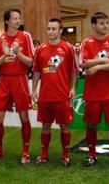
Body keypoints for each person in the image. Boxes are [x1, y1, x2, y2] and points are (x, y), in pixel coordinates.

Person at [0, 8, 34, 164]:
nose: (17, 21)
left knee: (24, 116)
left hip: (20, 79)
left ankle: (25, 152)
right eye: (14, 18)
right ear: (7, 21)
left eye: (18, 18)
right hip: (3, 80)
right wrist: (5, 55)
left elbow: (31, 62)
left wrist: (18, 53)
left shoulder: (25, 36)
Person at [79, 12, 109, 169]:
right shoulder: (86, 43)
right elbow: (83, 63)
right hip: (93, 92)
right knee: (91, 124)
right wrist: (104, 60)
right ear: (93, 26)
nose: (105, 26)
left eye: (107, 22)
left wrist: (97, 67)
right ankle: (92, 155)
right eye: (101, 23)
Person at [32, 18, 78, 167]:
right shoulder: (40, 49)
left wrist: (73, 88)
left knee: (64, 126)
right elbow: (37, 71)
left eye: (53, 29)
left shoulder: (68, 48)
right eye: (48, 29)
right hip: (45, 96)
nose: (50, 31)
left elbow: (74, 71)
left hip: (62, 95)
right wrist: (34, 90)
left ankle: (66, 156)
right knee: (45, 126)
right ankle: (44, 155)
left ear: (60, 31)